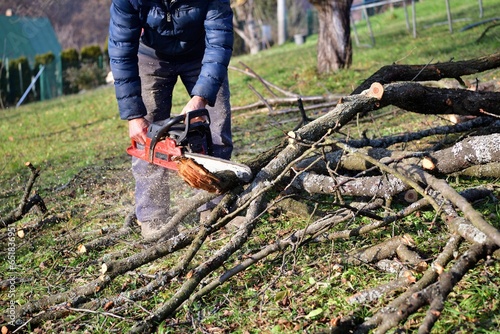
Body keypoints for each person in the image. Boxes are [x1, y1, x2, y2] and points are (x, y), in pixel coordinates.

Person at [108, 0, 234, 242]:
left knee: (217, 128)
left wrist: (200, 99)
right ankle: (153, 217)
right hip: (150, 57)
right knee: (148, 141)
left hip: (203, 54)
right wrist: (134, 115)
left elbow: (220, 43)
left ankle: (215, 207)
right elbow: (121, 51)